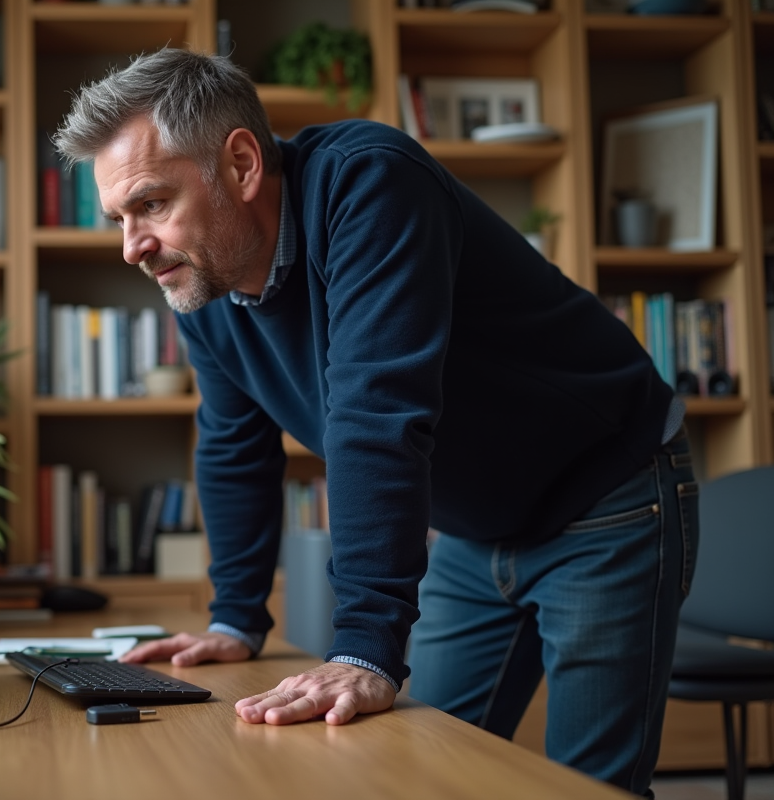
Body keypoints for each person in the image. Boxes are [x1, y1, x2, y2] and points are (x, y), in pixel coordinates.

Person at [53, 48, 698, 797]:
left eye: (152, 204)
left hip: (608, 497)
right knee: (412, 772)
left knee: (589, 790)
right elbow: (236, 447)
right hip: (476, 531)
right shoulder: (206, 283)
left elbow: (376, 415)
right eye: (120, 219)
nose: (132, 246)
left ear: (241, 165)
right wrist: (236, 619)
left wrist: (365, 649)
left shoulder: (369, 183)